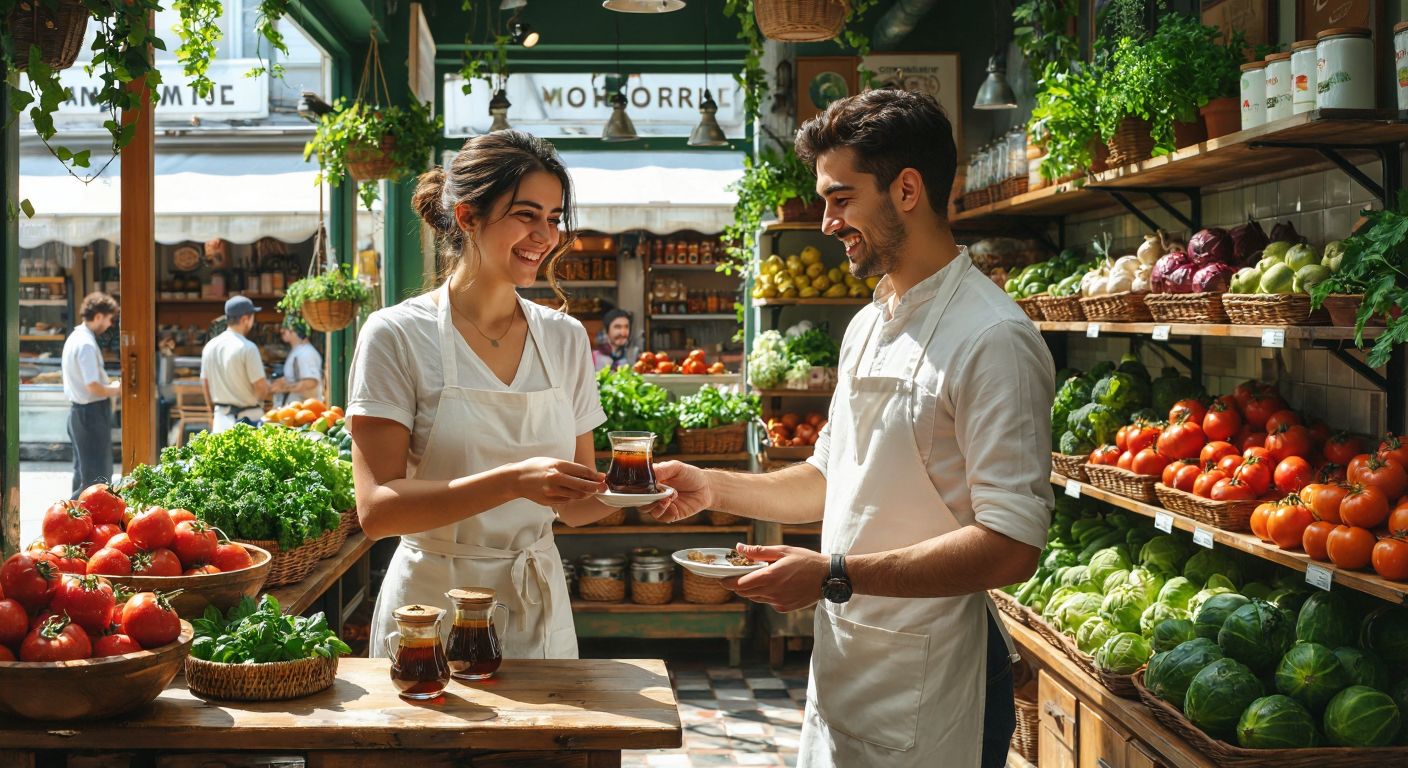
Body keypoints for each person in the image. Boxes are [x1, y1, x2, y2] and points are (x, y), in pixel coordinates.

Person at [646, 90, 1055, 768]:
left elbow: (1012, 546)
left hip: (937, 674)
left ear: (907, 189)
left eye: (841, 198)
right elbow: (827, 481)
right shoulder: (869, 322)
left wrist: (834, 574)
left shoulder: (993, 338)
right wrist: (711, 488)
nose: (827, 221)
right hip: (851, 660)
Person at [348, 130, 619, 661]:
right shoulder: (397, 334)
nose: (545, 234)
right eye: (526, 214)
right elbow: (377, 510)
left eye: (555, 217)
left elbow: (580, 507)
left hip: (536, 604)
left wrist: (646, 496)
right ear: (468, 217)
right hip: (429, 613)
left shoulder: (565, 339)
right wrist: (515, 481)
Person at [62, 292, 120, 496]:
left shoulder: (75, 337)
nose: (110, 324)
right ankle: (71, 521)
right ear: (98, 316)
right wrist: (118, 389)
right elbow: (93, 386)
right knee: (97, 478)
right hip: (91, 413)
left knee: (83, 474)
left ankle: (72, 520)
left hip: (80, 413)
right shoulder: (86, 343)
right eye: (109, 318)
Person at [201, 295, 271, 432]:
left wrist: (214, 410)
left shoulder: (209, 347)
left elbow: (205, 385)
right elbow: (261, 389)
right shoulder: (248, 347)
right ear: (245, 319)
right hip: (249, 420)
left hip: (221, 420)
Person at [274, 317, 323, 407]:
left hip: (305, 412)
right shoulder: (298, 351)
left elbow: (310, 382)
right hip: (297, 410)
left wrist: (285, 388)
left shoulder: (306, 353)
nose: (281, 331)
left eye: (285, 328)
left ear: (295, 331)